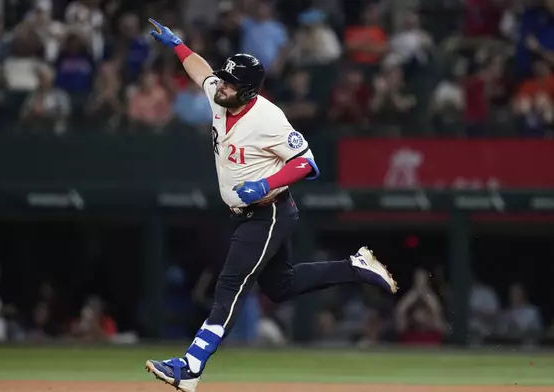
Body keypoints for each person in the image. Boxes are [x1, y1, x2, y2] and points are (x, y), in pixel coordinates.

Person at [145, 18, 398, 392]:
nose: (222, 85)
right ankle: (356, 266)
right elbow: (201, 71)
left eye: (231, 83)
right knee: (281, 285)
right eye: (224, 78)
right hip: (247, 213)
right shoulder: (220, 93)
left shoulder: (267, 117)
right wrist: (178, 45)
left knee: (230, 284)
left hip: (269, 211)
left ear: (248, 91)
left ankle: (190, 366)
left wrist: (266, 183)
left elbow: (307, 162)